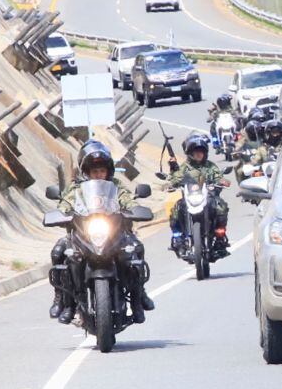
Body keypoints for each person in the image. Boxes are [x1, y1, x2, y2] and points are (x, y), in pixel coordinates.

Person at [49, 141, 154, 326]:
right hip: (83, 234)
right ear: (86, 172)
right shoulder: (76, 189)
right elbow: (65, 204)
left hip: (113, 233)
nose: (98, 174)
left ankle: (138, 299)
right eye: (94, 171)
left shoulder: (116, 186)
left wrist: (133, 209)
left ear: (109, 171)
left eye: (102, 171)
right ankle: (64, 302)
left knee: (136, 248)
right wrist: (62, 213)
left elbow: (127, 201)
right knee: (59, 253)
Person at [166, 132, 231, 254]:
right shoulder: (184, 167)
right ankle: (178, 238)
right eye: (195, 152)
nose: (198, 154)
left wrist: (222, 181)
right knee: (176, 210)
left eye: (201, 151)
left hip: (209, 197)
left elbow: (218, 177)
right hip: (189, 198)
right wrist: (173, 168)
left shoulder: (210, 166)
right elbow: (175, 180)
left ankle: (220, 237)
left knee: (221, 207)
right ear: (190, 153)